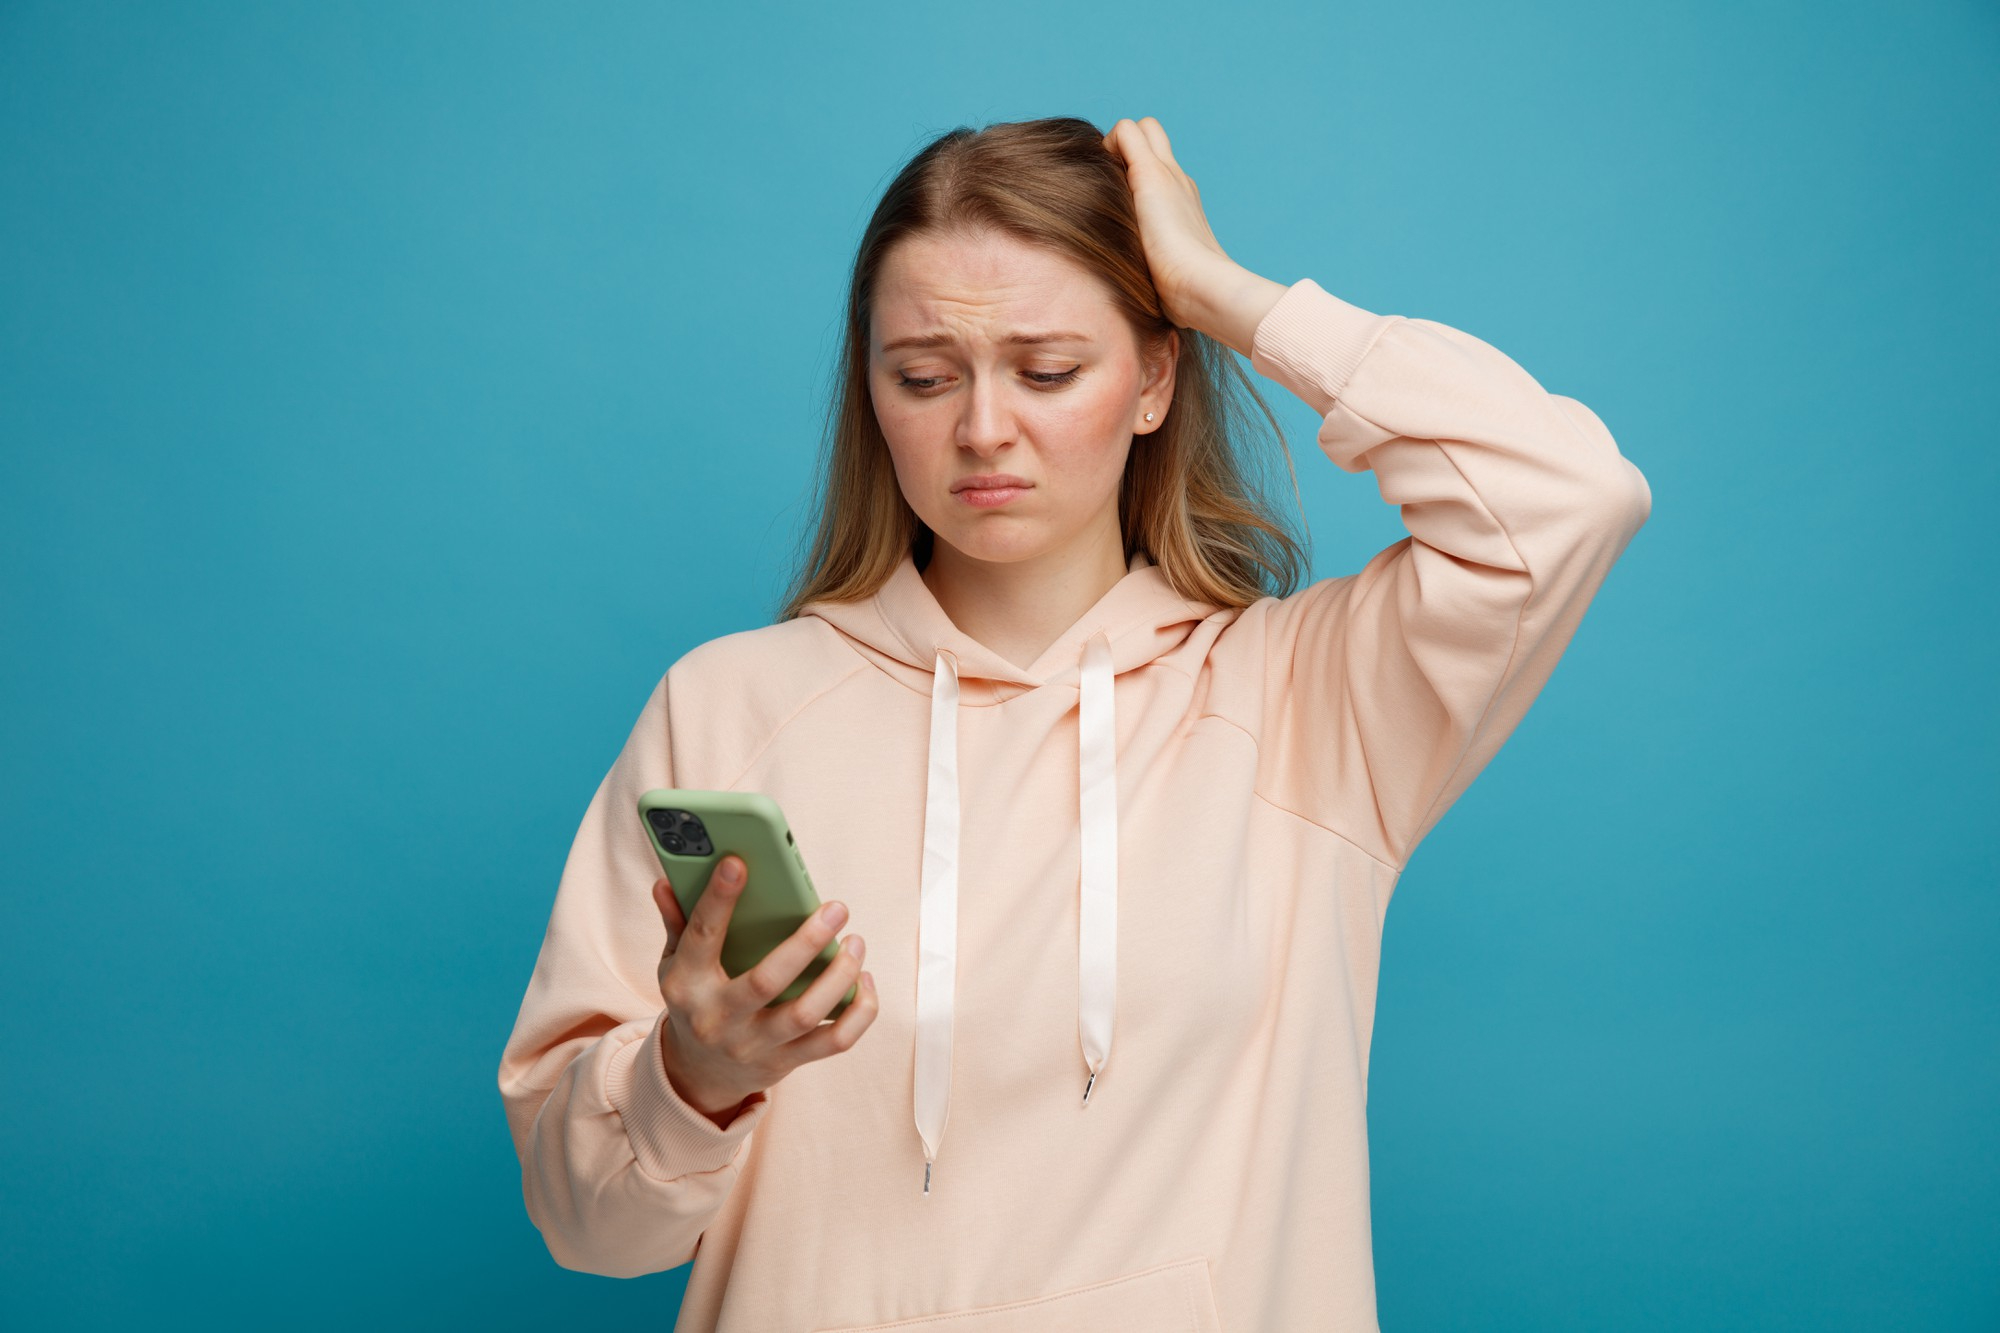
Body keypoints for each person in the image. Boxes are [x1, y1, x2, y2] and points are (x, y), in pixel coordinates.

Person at [496, 114, 1651, 1331]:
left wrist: (1226, 297)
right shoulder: (728, 705)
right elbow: (587, 1230)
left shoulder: (1305, 703)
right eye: (923, 375)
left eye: (1047, 371)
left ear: (1155, 377)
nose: (983, 428)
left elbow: (1565, 496)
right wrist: (698, 1077)